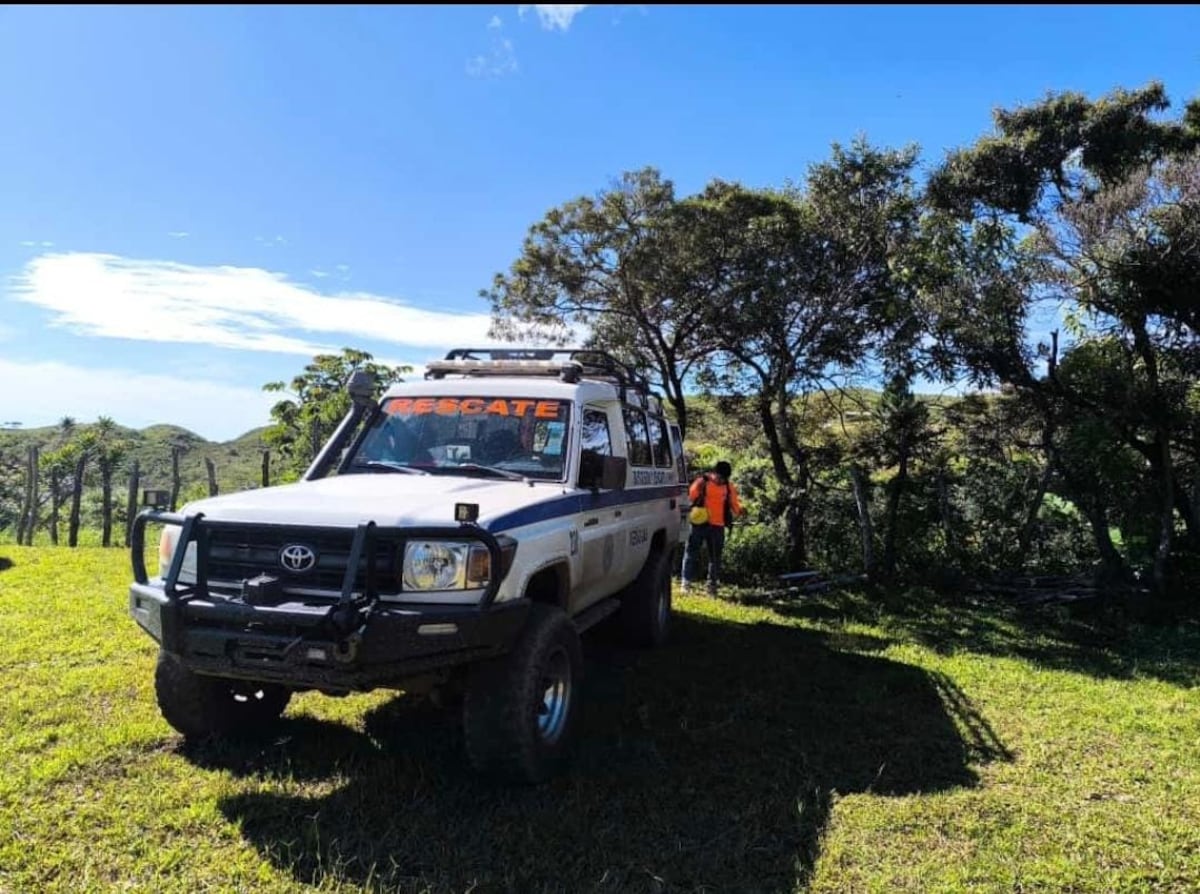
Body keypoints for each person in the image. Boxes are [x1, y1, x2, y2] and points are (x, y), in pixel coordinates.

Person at [681, 460, 745, 595]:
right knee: (691, 553)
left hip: (718, 526)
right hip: (699, 524)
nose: (722, 480)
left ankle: (712, 586)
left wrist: (741, 511)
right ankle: (685, 583)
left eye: (724, 478)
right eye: (720, 477)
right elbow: (689, 499)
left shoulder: (728, 487)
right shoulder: (701, 482)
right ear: (714, 473)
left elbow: (734, 504)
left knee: (715, 558)